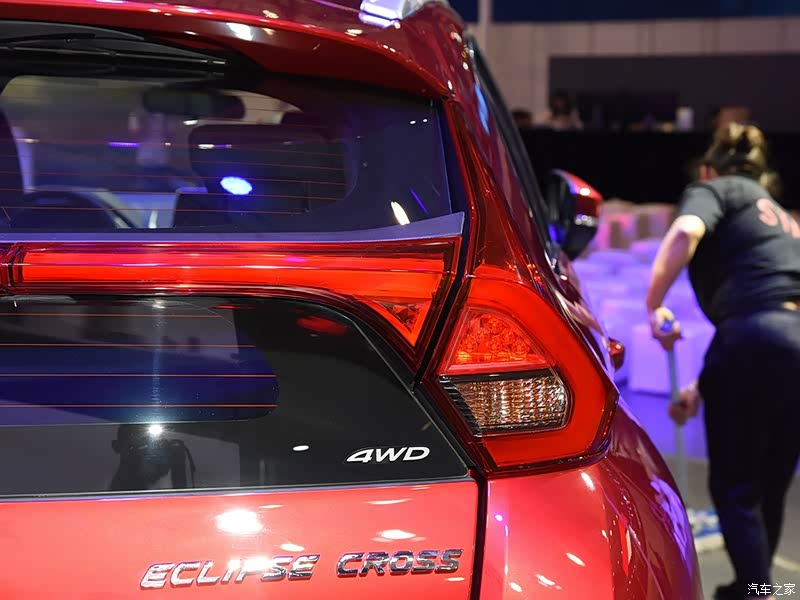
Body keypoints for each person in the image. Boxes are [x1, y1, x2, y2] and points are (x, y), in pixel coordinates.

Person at [646, 123, 800, 600]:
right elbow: (774, 318)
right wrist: (701, 387)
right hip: (788, 340)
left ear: (708, 169)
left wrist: (654, 303)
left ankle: (757, 593)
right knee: (770, 483)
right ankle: (754, 586)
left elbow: (686, 231)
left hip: (753, 337)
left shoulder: (715, 189)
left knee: (735, 487)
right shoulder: (781, 215)